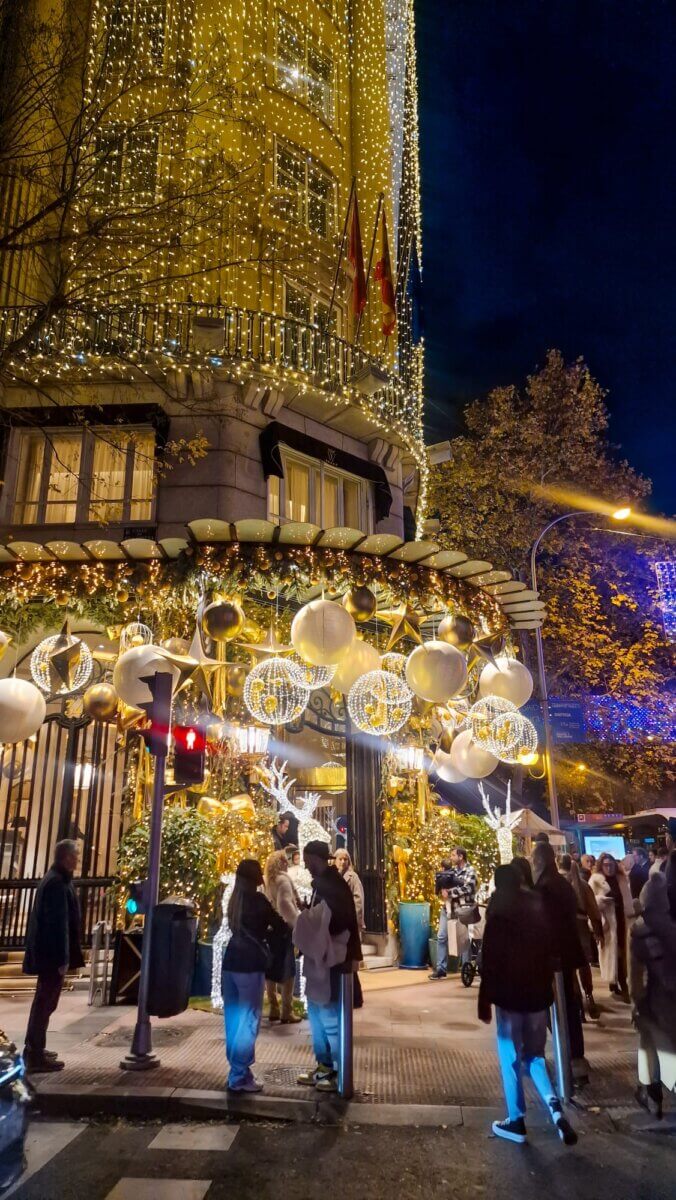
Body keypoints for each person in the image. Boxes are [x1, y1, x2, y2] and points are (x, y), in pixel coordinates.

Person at [479, 865, 577, 1147]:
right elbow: (551, 949)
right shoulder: (536, 908)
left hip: (510, 998)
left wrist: (485, 998)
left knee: (510, 1057)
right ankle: (555, 1108)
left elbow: (491, 959)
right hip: (537, 997)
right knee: (535, 1056)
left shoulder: (499, 912)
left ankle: (516, 1118)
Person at [293, 841, 360, 1093]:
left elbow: (333, 922)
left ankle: (335, 1070)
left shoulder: (330, 886)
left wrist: (307, 919)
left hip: (331, 963)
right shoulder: (330, 885)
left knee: (328, 1017)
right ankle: (325, 1067)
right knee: (319, 1015)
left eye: (309, 861)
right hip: (325, 961)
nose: (307, 866)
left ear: (319, 859)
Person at [221, 858, 284, 1093]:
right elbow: (278, 925)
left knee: (233, 1019)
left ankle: (237, 1070)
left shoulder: (234, 900)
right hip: (250, 964)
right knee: (248, 1020)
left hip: (231, 961)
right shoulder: (258, 901)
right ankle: (239, 1074)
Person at [23, 839, 84, 1072]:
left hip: (48, 954)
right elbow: (58, 925)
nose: (77, 860)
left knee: (45, 1003)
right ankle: (34, 1054)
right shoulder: (57, 883)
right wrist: (62, 959)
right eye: (75, 856)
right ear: (66, 857)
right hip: (51, 956)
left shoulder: (57, 880)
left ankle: (36, 1048)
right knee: (45, 1003)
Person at [532, 841, 588, 1082]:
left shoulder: (545, 886)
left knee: (557, 1008)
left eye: (534, 859)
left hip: (554, 957)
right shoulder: (562, 884)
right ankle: (575, 1057)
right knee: (569, 1007)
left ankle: (568, 1059)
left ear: (540, 861)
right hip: (568, 953)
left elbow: (545, 924)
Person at [630, 871, 676, 1118]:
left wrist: (635, 1002)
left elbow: (636, 975)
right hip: (671, 999)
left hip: (652, 1001)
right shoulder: (671, 928)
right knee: (656, 1048)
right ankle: (650, 1095)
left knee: (656, 1050)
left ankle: (652, 1096)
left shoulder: (639, 932)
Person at [559, 854, 603, 1019]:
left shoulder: (557, 884)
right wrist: (598, 930)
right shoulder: (582, 884)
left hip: (564, 930)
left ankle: (577, 1002)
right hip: (582, 928)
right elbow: (593, 909)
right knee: (584, 964)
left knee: (570, 968)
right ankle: (589, 995)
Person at [263, 850, 302, 1024]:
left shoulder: (267, 881)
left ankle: (273, 1007)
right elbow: (285, 904)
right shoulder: (283, 880)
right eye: (284, 861)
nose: (287, 863)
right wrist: (296, 924)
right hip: (283, 929)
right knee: (288, 971)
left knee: (270, 971)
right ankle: (287, 1011)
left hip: (269, 930)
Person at [589, 853, 634, 1002]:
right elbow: (590, 903)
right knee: (614, 955)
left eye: (611, 865)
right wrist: (601, 900)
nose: (609, 868)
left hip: (623, 921)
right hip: (607, 925)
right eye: (606, 865)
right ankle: (620, 985)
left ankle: (617, 982)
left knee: (623, 954)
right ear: (601, 866)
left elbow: (628, 899)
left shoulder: (622, 879)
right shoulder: (595, 881)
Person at [429, 847, 477, 980]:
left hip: (464, 909)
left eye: (453, 855)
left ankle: (467, 970)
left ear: (461, 857)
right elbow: (445, 884)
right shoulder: (451, 871)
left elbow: (468, 888)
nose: (451, 858)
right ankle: (440, 969)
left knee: (465, 939)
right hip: (448, 909)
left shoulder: (470, 871)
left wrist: (450, 892)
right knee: (442, 936)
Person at [334, 848, 365, 1008]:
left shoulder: (353, 878)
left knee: (351, 963)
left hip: (350, 925)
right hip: (340, 925)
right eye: (340, 859)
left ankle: (355, 997)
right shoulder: (334, 877)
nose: (343, 862)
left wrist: (354, 920)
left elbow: (358, 901)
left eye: (345, 859)